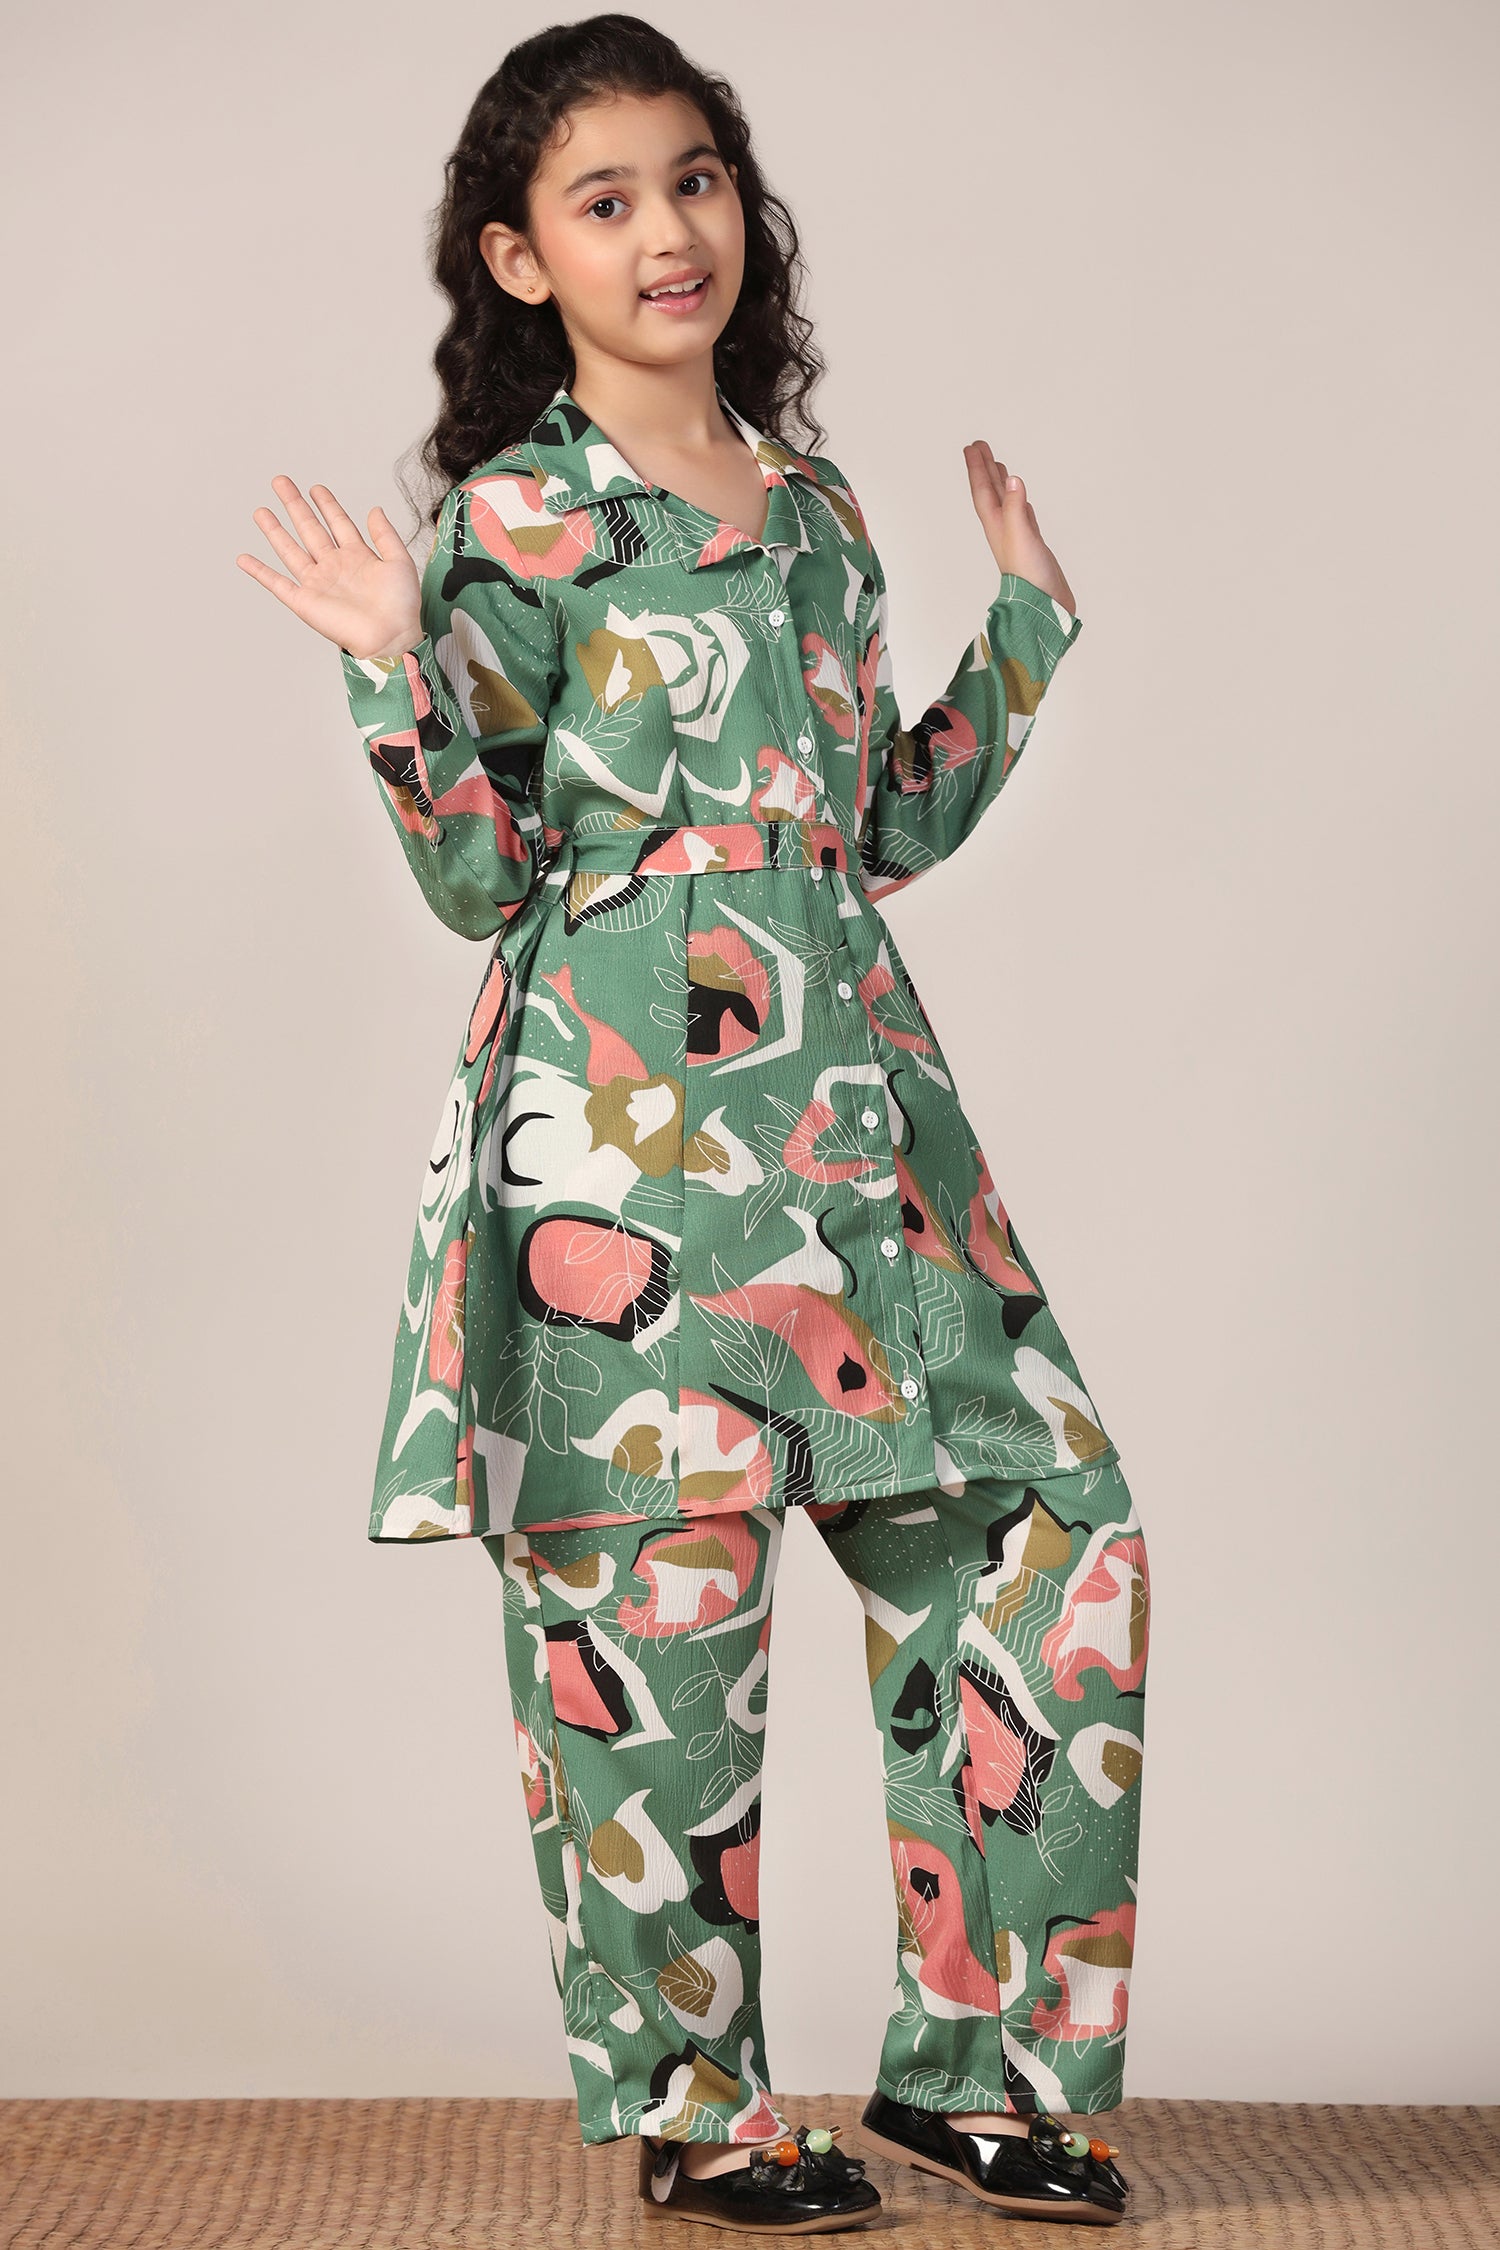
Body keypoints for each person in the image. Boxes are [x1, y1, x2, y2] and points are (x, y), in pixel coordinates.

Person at [237, 13, 1149, 2232]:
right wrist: (387, 658)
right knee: (655, 1628)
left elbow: (869, 827)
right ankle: (694, 2111)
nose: (669, 231)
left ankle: (981, 2076)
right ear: (520, 258)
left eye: (697, 179)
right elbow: (480, 876)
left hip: (865, 1140)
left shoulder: (817, 514)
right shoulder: (516, 523)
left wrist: (1027, 634)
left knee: (1048, 1537)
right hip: (620, 1141)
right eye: (607, 198)